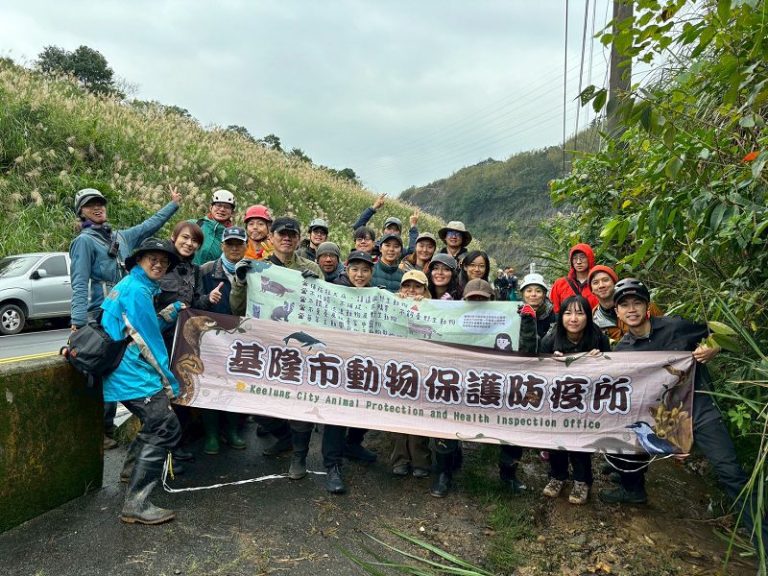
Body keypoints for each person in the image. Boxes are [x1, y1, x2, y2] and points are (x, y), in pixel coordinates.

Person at [597, 279, 768, 554]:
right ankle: (633, 487)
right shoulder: (623, 351)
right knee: (623, 434)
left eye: (637, 303)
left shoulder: (675, 326)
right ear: (616, 312)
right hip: (667, 420)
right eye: (624, 305)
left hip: (700, 408)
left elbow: (720, 334)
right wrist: (669, 441)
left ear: (647, 306)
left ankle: (762, 542)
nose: (631, 309)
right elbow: (635, 400)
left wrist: (714, 347)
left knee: (730, 473)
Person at [69, 186, 181, 449]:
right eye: (89, 205)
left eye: (100, 203)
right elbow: (79, 282)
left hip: (128, 308)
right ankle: (103, 429)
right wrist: (78, 321)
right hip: (101, 313)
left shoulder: (120, 237)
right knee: (103, 367)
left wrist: (173, 204)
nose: (97, 208)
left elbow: (149, 226)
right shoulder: (84, 241)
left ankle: (112, 430)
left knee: (117, 363)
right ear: (81, 212)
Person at [100, 238, 184, 524]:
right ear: (138, 261)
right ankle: (137, 503)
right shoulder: (137, 290)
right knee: (165, 426)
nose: (159, 264)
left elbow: (132, 327)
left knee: (154, 423)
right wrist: (170, 382)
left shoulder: (135, 286)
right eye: (152, 258)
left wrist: (166, 315)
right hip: (131, 373)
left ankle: (129, 474)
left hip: (121, 368)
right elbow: (148, 342)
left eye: (164, 261)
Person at [231, 217, 322, 458]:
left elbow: (322, 310)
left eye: (292, 235)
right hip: (267, 347)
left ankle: (300, 457)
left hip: (300, 347)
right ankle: (285, 438)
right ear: (271, 237)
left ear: (298, 238)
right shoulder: (257, 267)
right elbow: (237, 309)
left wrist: (316, 288)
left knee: (299, 402)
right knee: (255, 403)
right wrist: (240, 281)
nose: (287, 238)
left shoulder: (311, 269)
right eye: (282, 234)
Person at [536, 295, 610, 505]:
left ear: (588, 316)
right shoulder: (551, 339)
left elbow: (613, 372)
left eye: (580, 313)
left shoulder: (598, 338)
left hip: (585, 402)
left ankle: (582, 480)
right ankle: (557, 476)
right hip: (557, 400)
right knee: (556, 439)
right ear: (561, 317)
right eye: (568, 313)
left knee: (579, 441)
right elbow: (538, 369)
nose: (574, 318)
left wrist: (601, 360)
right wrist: (551, 361)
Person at [197, 227, 249, 455]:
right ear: (222, 246)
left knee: (235, 386)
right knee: (210, 386)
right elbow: (195, 302)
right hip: (211, 339)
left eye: (239, 244)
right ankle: (211, 434)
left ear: (246, 246)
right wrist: (208, 299)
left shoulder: (253, 271)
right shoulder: (206, 270)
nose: (234, 248)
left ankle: (232, 431)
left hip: (242, 339)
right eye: (230, 244)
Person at [390, 270, 432, 479]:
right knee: (398, 417)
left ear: (425, 290)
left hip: (424, 369)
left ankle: (421, 461)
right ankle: (400, 460)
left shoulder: (436, 310)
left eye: (417, 286)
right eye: (407, 285)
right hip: (399, 368)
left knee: (420, 417)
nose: (411, 291)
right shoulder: (392, 304)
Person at [588, 265, 662, 342]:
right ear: (592, 289)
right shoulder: (594, 318)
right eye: (595, 283)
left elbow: (664, 329)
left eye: (605, 280)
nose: (601, 285)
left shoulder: (643, 305)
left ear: (615, 283)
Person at [351, 193, 418, 254]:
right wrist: (374, 208)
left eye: (395, 230)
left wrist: (413, 226)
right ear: (383, 231)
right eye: (389, 228)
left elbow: (412, 252)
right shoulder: (375, 246)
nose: (392, 232)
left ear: (400, 233)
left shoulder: (400, 251)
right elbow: (358, 228)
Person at [548, 243, 599, 313]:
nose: (578, 262)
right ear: (571, 261)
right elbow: (555, 310)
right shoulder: (560, 284)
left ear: (589, 259)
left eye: (582, 257)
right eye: (575, 258)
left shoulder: (599, 284)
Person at [191, 189, 237, 265]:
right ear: (210, 207)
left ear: (232, 212)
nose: (222, 209)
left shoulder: (233, 235)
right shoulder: (194, 224)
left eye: (227, 207)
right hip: (186, 274)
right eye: (218, 205)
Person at [519, 272, 557, 338]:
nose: (533, 294)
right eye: (529, 291)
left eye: (538, 291)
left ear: (544, 294)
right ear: (523, 294)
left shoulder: (552, 315)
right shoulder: (516, 314)